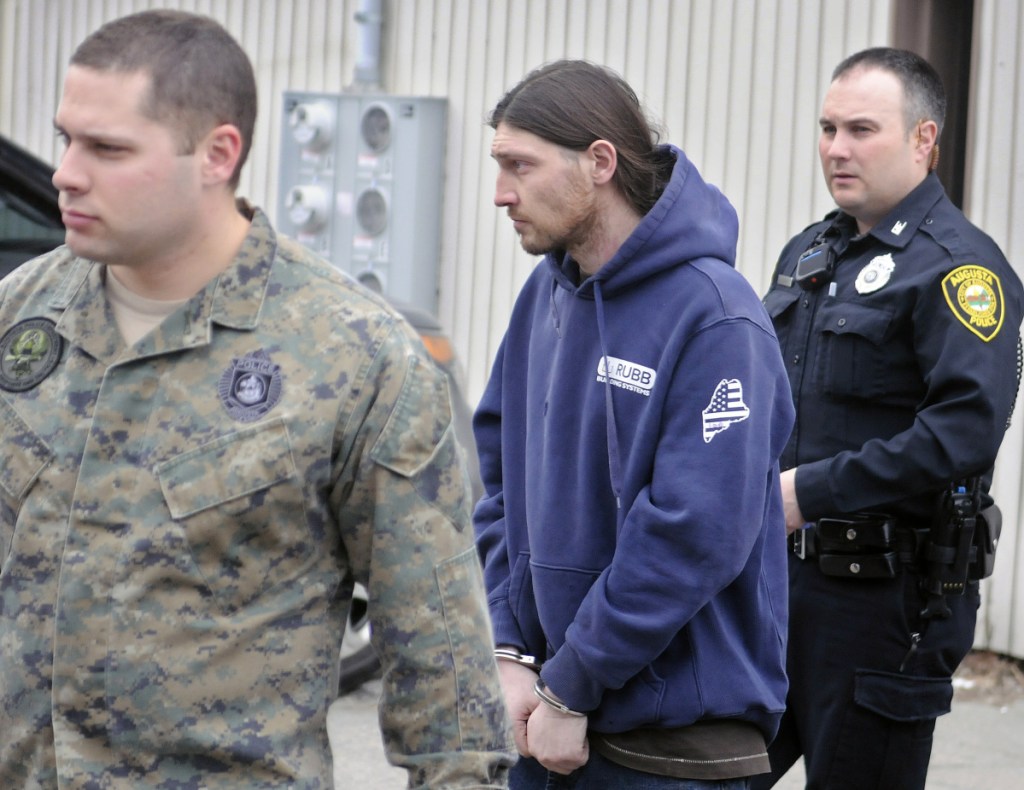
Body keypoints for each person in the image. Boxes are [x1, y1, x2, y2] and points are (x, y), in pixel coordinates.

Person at [0, 10, 513, 788]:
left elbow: (444, 678)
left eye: (106, 149)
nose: (66, 171)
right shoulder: (22, 320)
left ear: (216, 154)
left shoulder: (354, 355)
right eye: (66, 138)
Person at [473, 59, 796, 789]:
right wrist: (510, 651)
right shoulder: (546, 299)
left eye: (520, 166)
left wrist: (573, 682)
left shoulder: (717, 316)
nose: (501, 194)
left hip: (670, 755)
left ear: (599, 162)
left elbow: (693, 532)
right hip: (547, 727)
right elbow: (499, 488)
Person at [755, 47, 1024, 790]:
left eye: (862, 129)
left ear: (923, 140)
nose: (837, 149)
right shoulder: (810, 255)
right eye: (828, 127)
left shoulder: (962, 270)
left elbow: (964, 432)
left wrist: (806, 493)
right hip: (776, 591)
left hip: (883, 606)